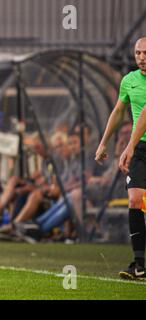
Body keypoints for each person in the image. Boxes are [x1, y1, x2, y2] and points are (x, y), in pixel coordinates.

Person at [95, 37, 146, 281]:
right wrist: (104, 142)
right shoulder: (129, 81)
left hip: (135, 146)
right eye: (138, 53)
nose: (142, 57)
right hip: (140, 149)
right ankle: (139, 263)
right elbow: (118, 112)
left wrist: (128, 146)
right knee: (135, 200)